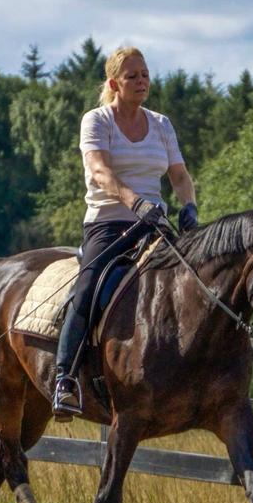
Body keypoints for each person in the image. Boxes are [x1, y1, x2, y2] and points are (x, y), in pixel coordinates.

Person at [52, 46, 199, 416]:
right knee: (88, 286)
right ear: (115, 83)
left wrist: (189, 206)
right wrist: (136, 203)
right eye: (132, 76)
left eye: (145, 74)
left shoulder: (162, 124)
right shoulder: (97, 121)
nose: (141, 81)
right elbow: (101, 173)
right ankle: (64, 378)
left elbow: (178, 175)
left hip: (154, 224)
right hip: (108, 222)